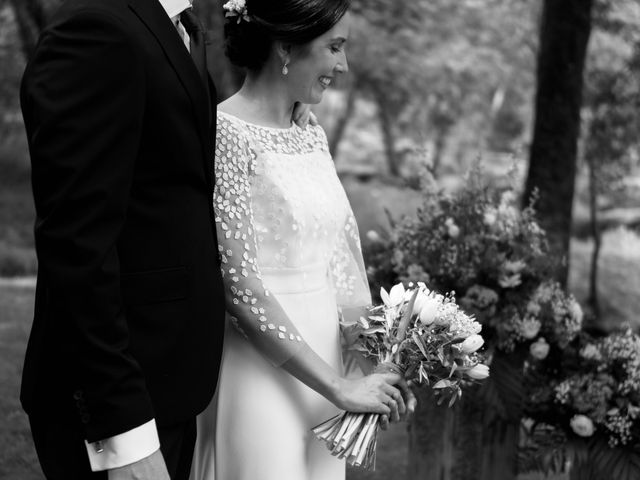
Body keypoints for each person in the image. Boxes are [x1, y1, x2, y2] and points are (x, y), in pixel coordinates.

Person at [19, 0, 271, 479]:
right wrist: (126, 433)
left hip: (169, 384)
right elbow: (76, 245)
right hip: (117, 403)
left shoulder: (181, 29)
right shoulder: (96, 31)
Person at [190, 1, 417, 479]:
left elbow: (340, 261)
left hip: (330, 367)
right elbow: (239, 284)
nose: (343, 65)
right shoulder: (224, 133)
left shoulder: (309, 135)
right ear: (286, 47)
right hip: (260, 369)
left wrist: (374, 366)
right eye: (334, 47)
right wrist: (336, 385)